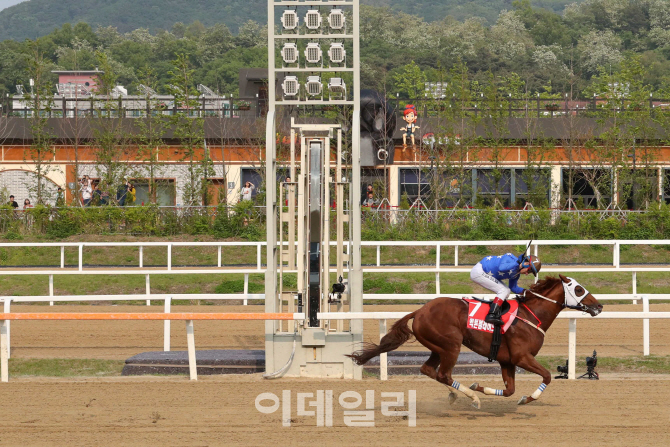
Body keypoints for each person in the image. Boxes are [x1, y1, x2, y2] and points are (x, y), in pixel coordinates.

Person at [470, 252, 542, 325]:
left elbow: (513, 288)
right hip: (479, 271)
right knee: (503, 290)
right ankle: (491, 315)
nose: (527, 274)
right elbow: (502, 268)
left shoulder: (516, 274)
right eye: (529, 271)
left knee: (507, 290)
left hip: (485, 273)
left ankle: (497, 313)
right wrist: (518, 265)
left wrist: (528, 292)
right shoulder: (509, 257)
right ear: (525, 264)